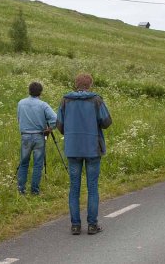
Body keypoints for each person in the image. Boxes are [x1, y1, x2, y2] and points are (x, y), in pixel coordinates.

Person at [56, 73, 112, 235]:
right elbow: (107, 122)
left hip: (73, 148)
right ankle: (92, 225)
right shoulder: (96, 100)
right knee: (92, 187)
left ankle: (75, 225)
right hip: (92, 147)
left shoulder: (65, 100)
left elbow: (59, 124)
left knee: (74, 187)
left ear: (76, 84)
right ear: (90, 85)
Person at [17, 81, 57, 195]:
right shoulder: (43, 105)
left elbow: (19, 119)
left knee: (23, 163)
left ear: (29, 91)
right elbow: (55, 119)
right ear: (40, 92)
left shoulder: (21, 103)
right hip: (39, 136)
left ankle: (21, 190)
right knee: (38, 164)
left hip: (25, 136)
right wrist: (50, 129)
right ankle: (34, 191)